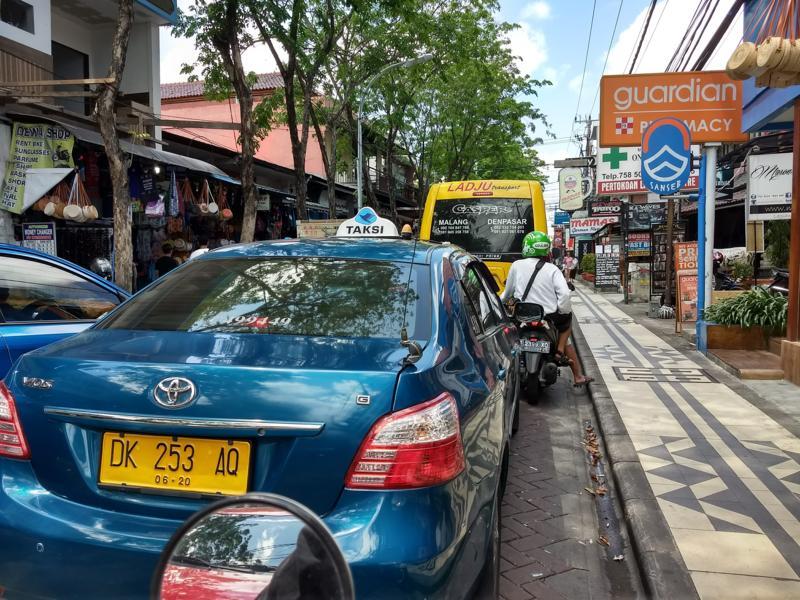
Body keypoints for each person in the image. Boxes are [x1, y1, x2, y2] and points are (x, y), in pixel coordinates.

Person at [501, 231, 593, 387]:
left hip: (522, 315)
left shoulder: (516, 266)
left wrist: (498, 303)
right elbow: (564, 294)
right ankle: (569, 365)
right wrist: (563, 311)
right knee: (567, 324)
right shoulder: (553, 269)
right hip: (548, 317)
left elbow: (507, 294)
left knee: (508, 333)